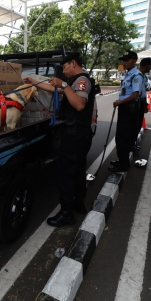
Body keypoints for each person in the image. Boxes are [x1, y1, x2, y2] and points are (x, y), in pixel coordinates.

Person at [24, 53, 96, 227]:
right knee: (78, 170)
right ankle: (78, 204)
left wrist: (63, 83)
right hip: (78, 134)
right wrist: (34, 82)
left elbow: (79, 104)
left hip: (75, 135)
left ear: (73, 63)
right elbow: (55, 89)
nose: (64, 71)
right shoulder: (74, 83)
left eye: (65, 67)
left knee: (65, 173)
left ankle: (66, 213)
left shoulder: (82, 81)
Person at [109, 51, 145, 172]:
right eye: (123, 60)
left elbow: (135, 95)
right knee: (120, 136)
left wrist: (120, 102)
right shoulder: (128, 74)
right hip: (125, 107)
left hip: (129, 108)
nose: (124, 62)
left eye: (127, 60)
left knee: (123, 136)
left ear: (134, 60)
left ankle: (123, 164)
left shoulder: (136, 75)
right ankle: (121, 160)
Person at [130, 57, 151, 151]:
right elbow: (136, 92)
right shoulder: (138, 75)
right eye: (150, 66)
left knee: (138, 124)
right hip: (136, 103)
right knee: (134, 125)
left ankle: (133, 143)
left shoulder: (143, 76)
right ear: (147, 65)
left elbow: (144, 92)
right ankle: (131, 144)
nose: (150, 68)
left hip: (141, 102)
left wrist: (145, 105)